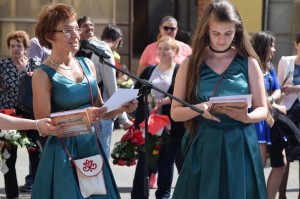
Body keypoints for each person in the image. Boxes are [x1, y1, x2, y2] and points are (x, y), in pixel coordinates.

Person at [31, 3, 137, 198]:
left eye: (76, 29)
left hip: (91, 146)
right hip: (63, 152)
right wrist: (82, 116)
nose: (76, 35)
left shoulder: (87, 64)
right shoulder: (42, 74)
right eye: (67, 30)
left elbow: (99, 110)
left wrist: (122, 107)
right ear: (49, 36)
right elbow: (44, 124)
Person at [170, 1, 268, 198]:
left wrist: (248, 117)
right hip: (206, 143)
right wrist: (199, 108)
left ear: (237, 31)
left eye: (228, 33)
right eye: (216, 33)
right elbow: (175, 113)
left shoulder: (249, 62)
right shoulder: (190, 64)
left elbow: (263, 109)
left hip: (241, 142)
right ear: (206, 30)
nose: (222, 39)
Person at [131, 36, 185, 199]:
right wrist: (145, 99)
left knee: (166, 163)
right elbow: (136, 91)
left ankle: (163, 195)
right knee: (143, 163)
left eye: (166, 48)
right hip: (148, 125)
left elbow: (184, 94)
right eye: (159, 48)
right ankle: (138, 195)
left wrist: (164, 101)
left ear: (174, 51)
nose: (161, 52)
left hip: (171, 126)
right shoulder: (149, 70)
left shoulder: (180, 71)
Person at [0, 30, 40, 199]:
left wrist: (34, 79)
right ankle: (12, 196)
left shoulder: (35, 64)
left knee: (36, 154)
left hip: (31, 115)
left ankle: (39, 193)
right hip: (9, 115)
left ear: (26, 48)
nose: (15, 49)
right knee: (9, 158)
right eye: (12, 46)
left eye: (19, 46)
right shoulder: (2, 65)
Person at [252, 31, 288, 199]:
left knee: (277, 162)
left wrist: (271, 100)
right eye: (271, 46)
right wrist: (273, 105)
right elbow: (253, 96)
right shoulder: (250, 66)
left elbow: (278, 89)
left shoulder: (269, 67)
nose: (274, 50)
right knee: (258, 166)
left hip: (270, 120)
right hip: (257, 121)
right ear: (263, 47)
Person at [90, 24, 133, 159]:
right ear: (118, 40)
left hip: (90, 107)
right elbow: (112, 88)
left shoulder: (92, 48)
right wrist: (124, 119)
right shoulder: (105, 52)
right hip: (103, 111)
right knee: (102, 160)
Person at [20, 36, 52, 193]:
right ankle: (33, 179)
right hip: (38, 101)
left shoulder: (59, 43)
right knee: (37, 144)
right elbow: (36, 66)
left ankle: (40, 179)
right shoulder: (36, 42)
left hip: (54, 100)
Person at [277, 32, 300, 199]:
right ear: (296, 44)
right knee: (285, 154)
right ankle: (282, 195)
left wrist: (296, 88)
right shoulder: (285, 61)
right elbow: (278, 85)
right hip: (287, 111)